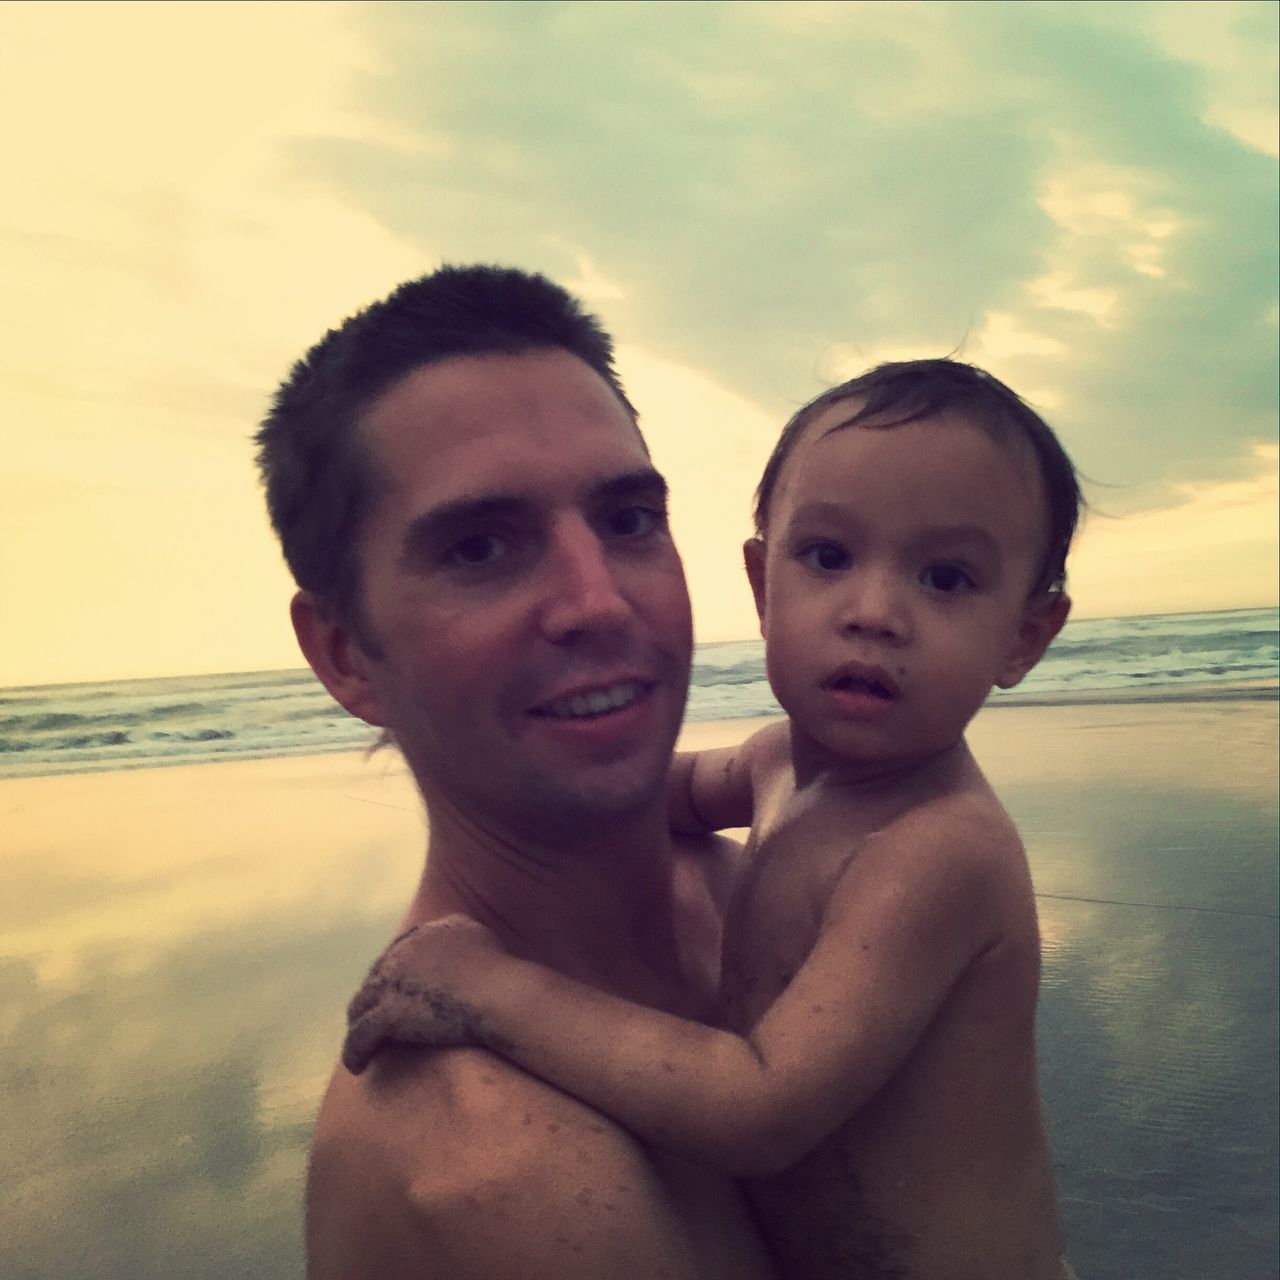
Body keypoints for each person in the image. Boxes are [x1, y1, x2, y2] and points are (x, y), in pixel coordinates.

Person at [344, 359, 1082, 1279]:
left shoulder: (936, 850)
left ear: (1025, 635)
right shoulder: (774, 765)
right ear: (762, 580)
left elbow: (762, 1109)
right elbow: (641, 788)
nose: (874, 612)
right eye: (828, 557)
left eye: (945, 577)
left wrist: (489, 988)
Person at [256, 264, 777, 1279]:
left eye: (627, 520)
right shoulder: (502, 1172)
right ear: (345, 654)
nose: (596, 600)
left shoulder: (752, 899)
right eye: (481, 545)